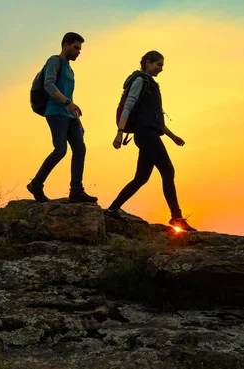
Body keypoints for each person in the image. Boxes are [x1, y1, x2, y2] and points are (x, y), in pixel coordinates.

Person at [105, 50, 197, 232]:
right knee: (168, 170)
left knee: (141, 178)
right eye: (158, 65)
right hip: (146, 135)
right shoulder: (141, 81)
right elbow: (129, 105)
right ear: (148, 63)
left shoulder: (151, 85)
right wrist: (120, 131)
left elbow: (156, 119)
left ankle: (112, 209)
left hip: (149, 133)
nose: (161, 69)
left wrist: (173, 137)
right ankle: (176, 217)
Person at [27, 32, 97, 203]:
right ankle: (36, 184)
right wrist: (67, 103)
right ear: (66, 45)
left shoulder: (70, 69)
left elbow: (69, 94)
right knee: (60, 150)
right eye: (76, 47)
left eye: (80, 49)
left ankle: (76, 191)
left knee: (80, 150)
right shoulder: (54, 60)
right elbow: (48, 85)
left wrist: (77, 120)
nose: (79, 51)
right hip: (55, 112)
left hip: (69, 114)